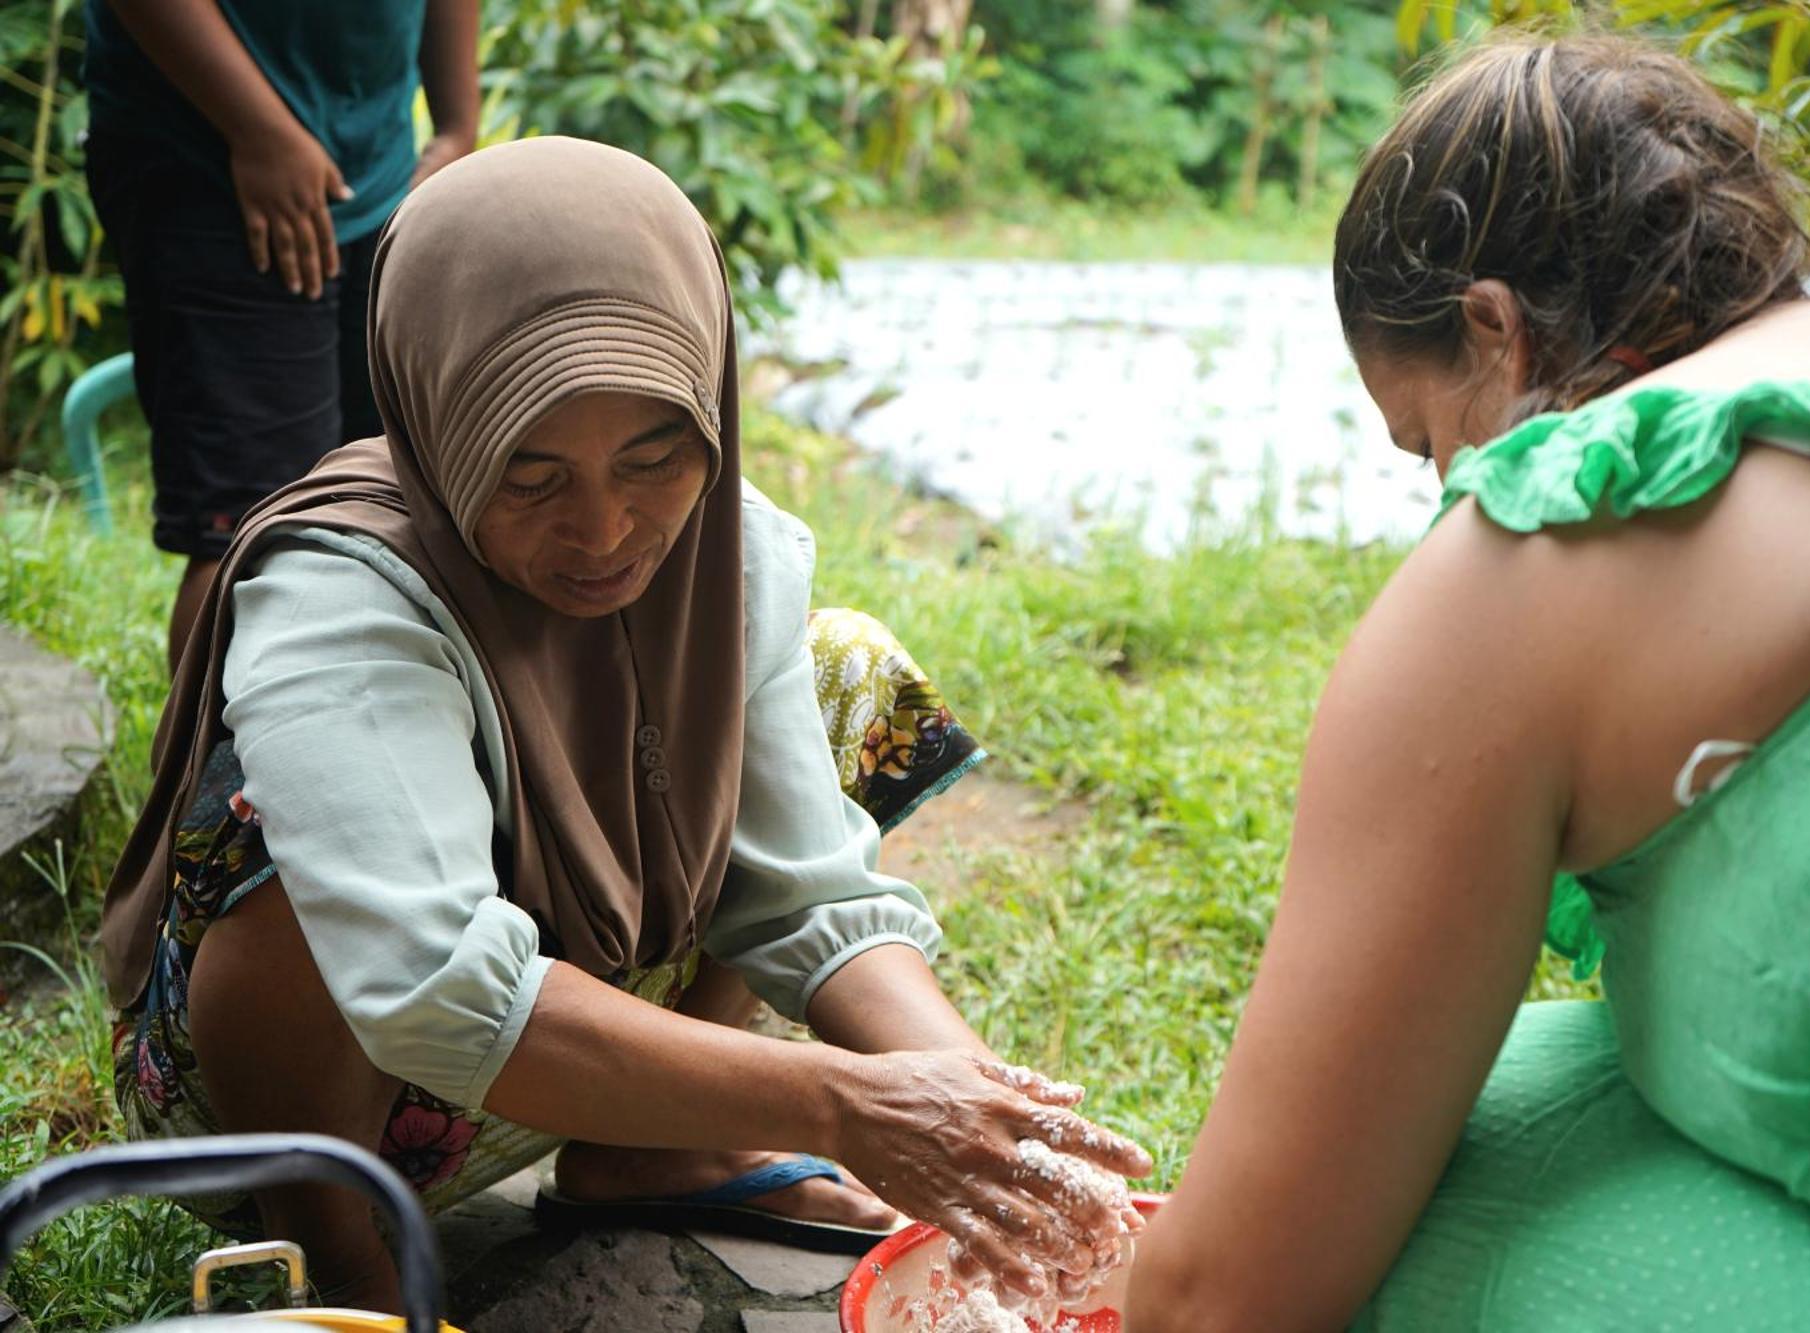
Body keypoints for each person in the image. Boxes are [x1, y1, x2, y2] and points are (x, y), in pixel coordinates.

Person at [102, 137, 1148, 1314]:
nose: (605, 532)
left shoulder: (729, 556)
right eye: (530, 476)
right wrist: (837, 1101)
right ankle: (335, 1253)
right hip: (343, 1103)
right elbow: (433, 978)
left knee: (848, 670)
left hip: (587, 1038)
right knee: (272, 834)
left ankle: (653, 1149)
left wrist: (979, 1115)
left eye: (654, 458)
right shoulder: (339, 590)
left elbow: (809, 896)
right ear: (435, 417)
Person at [1123, 34, 1810, 1332]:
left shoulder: (1540, 531)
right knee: (1544, 1073)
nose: (1446, 491)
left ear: (1494, 327)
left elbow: (1223, 1298)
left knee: (1421, 1218)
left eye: (1429, 442)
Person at [83, 0, 482, 665]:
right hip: (208, 157)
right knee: (252, 531)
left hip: (381, 166)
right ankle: (199, 770)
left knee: (394, 504)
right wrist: (258, 130)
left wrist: (456, 129)